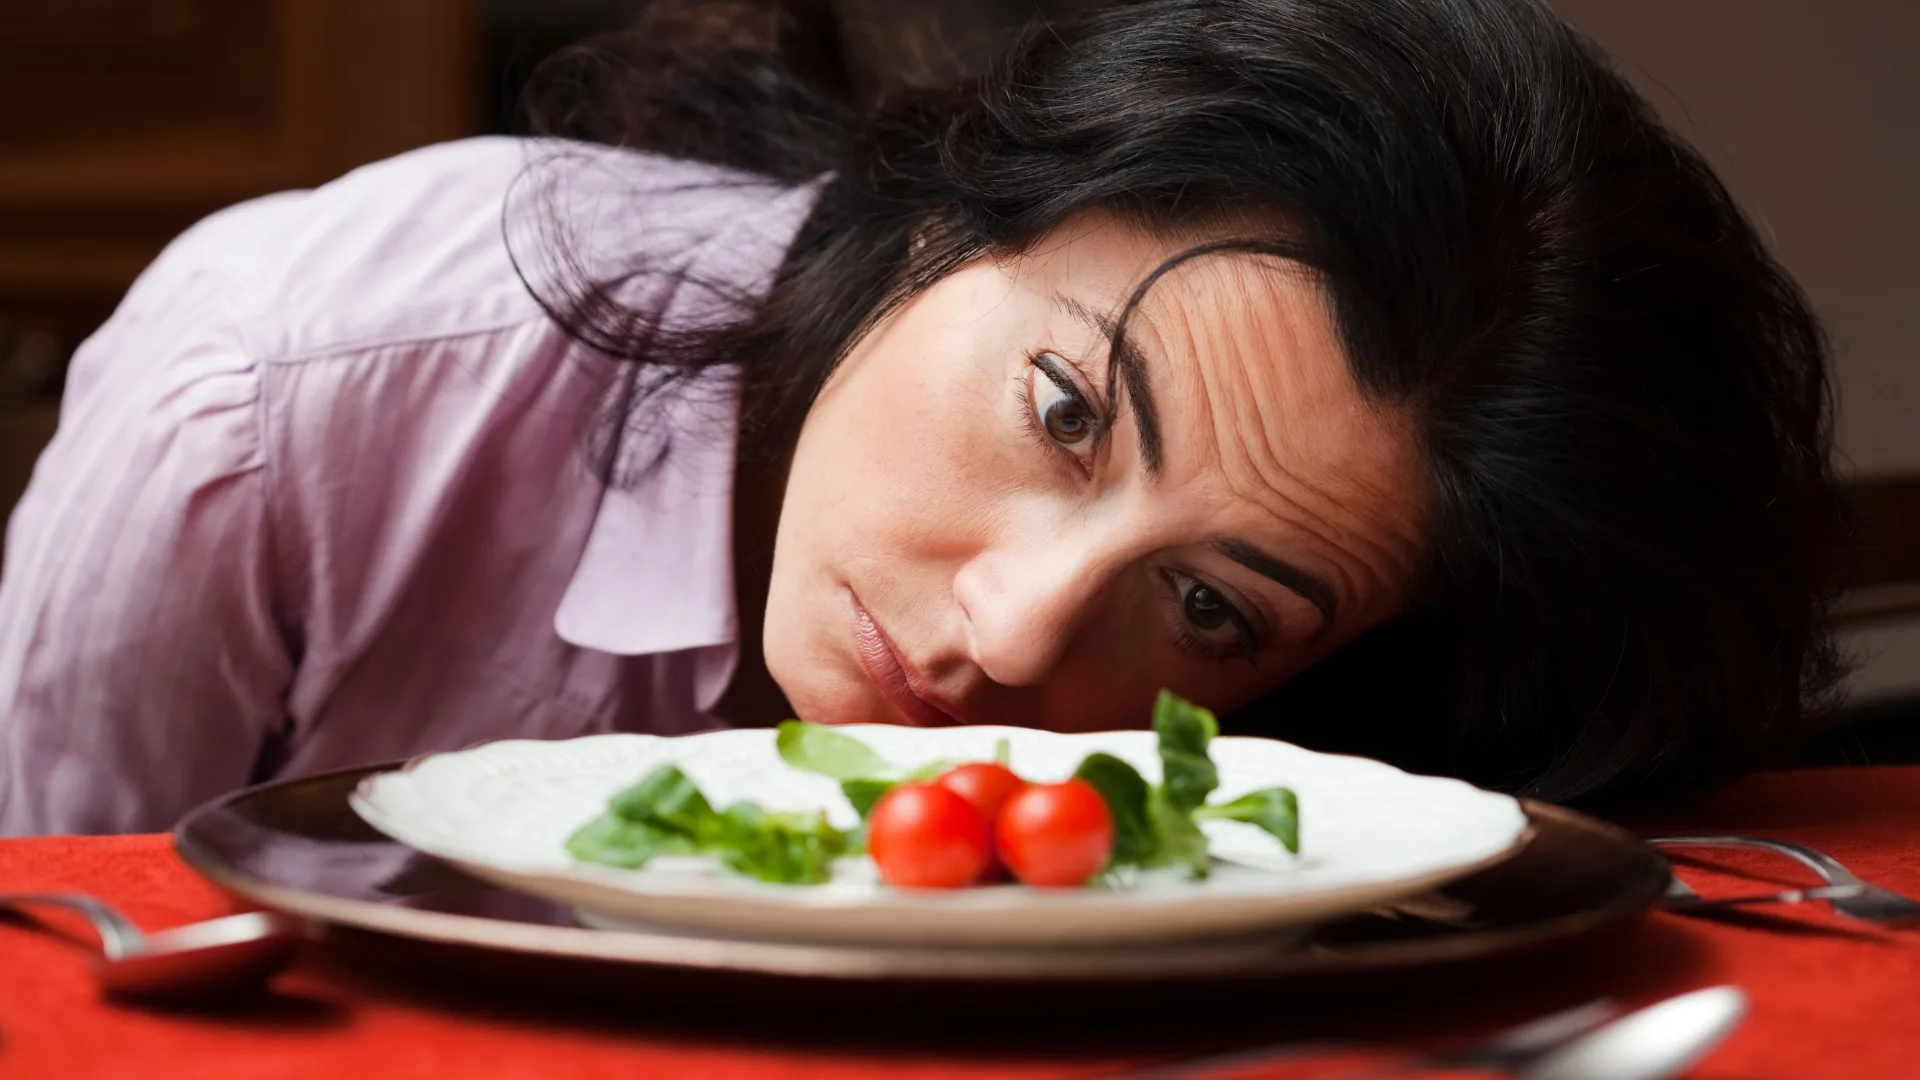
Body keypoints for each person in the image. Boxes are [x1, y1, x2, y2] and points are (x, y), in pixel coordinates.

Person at [0, 0, 1849, 834]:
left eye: (1213, 608)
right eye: (1064, 410)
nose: (1019, 635)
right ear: (957, 201)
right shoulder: (273, 393)